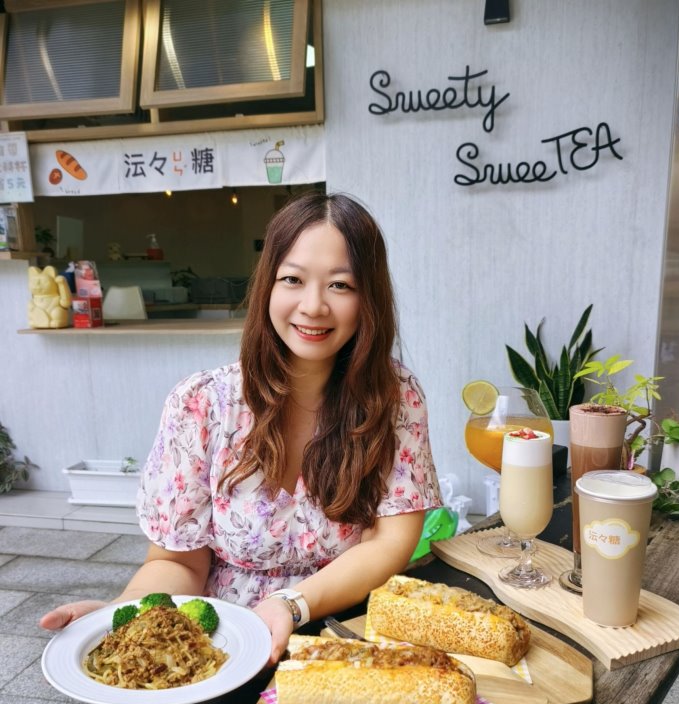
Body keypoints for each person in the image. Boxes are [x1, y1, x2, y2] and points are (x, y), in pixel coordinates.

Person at [40, 191, 442, 663]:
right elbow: (178, 561)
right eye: (292, 279)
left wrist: (292, 604)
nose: (313, 306)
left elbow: (391, 539)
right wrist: (122, 617)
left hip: (348, 634)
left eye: (340, 285)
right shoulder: (202, 404)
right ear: (267, 286)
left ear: (369, 296)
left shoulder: (393, 396)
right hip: (223, 648)